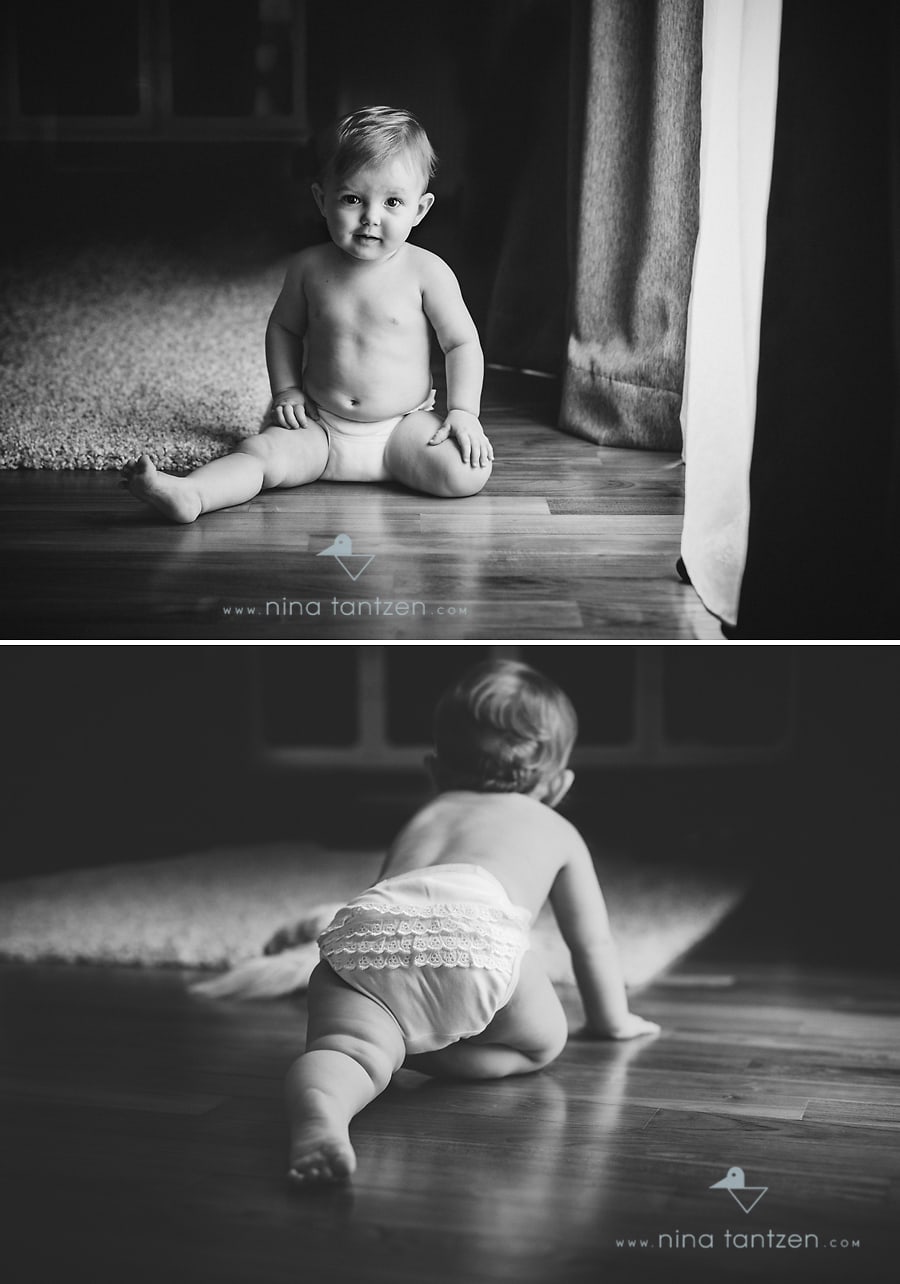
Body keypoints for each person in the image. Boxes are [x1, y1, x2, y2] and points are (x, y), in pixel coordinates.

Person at [284, 659, 659, 1186]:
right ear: (558, 784)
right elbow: (590, 942)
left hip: (371, 932)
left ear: (435, 770)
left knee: (344, 1049)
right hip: (477, 944)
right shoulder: (556, 828)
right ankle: (426, 1058)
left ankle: (330, 1101)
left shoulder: (426, 815)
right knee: (539, 1045)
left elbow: (395, 899)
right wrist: (611, 1022)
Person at [122, 106, 492, 523]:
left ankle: (415, 461)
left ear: (420, 211)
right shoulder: (308, 268)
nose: (371, 217)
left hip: (399, 429)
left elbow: (461, 343)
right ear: (322, 199)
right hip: (321, 428)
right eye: (353, 198)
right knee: (260, 454)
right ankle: (194, 494)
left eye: (392, 202)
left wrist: (464, 412)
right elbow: (282, 328)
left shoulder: (428, 272)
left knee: (467, 473)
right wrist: (287, 391)